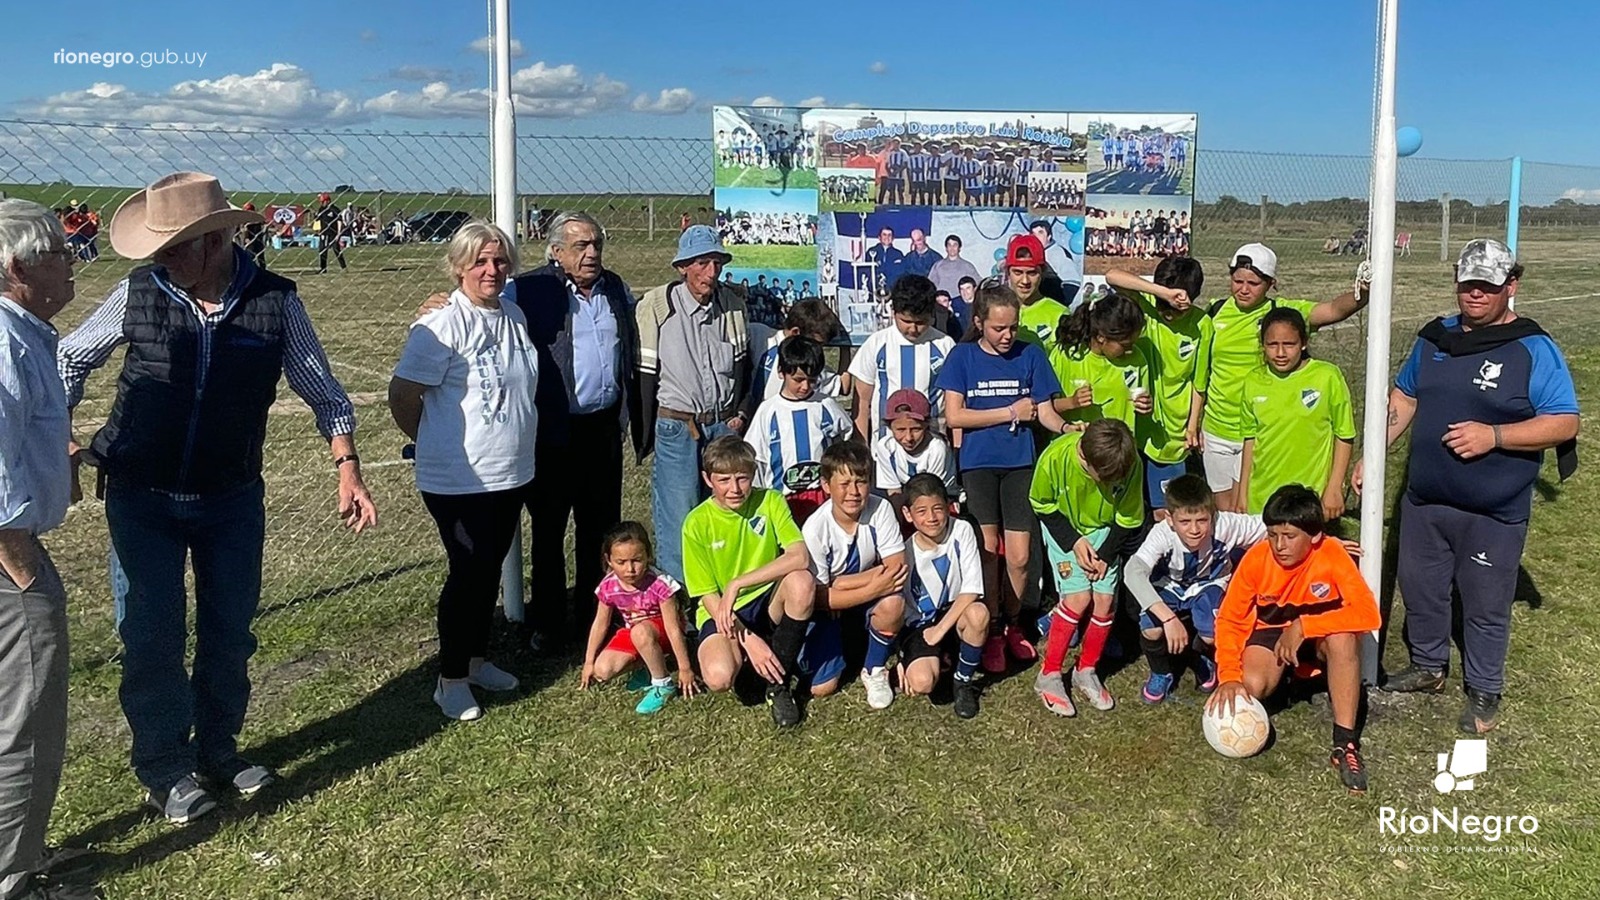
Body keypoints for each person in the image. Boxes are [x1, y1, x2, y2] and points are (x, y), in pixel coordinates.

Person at [57, 172, 378, 823]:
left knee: (229, 633)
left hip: (231, 497)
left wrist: (348, 468)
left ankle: (218, 751)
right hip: (141, 496)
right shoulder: (138, 292)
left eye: (174, 245)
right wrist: (60, 433)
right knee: (151, 633)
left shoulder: (276, 301)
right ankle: (165, 767)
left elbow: (325, 393)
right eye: (159, 246)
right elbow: (68, 360)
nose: (162, 258)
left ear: (217, 240)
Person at [1360, 239, 1579, 734]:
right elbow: (1406, 396)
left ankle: (1484, 690)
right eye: (1467, 284)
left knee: (1483, 604)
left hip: (1493, 511)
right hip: (1425, 499)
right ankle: (1429, 667)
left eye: (1487, 285)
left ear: (1511, 286)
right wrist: (1373, 454)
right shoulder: (1435, 338)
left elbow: (1564, 423)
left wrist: (1494, 436)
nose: (1475, 293)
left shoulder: (1532, 348)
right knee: (1422, 589)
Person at [389, 221, 535, 721]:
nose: (491, 270)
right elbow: (403, 395)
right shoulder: (442, 323)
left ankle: (476, 660)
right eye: (479, 262)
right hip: (458, 478)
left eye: (499, 261)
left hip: (509, 471)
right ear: (457, 267)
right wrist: (431, 441)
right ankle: (449, 679)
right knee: (468, 570)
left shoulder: (513, 314)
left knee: (488, 568)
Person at [0, 200, 91, 900]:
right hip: (10, 560)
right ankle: (14, 879)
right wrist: (24, 569)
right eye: (57, 252)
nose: (70, 261)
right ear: (16, 269)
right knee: (25, 722)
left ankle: (17, 848)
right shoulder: (5, 340)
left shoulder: (27, 334)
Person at [509, 212, 643, 650]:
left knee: (599, 530)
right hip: (553, 433)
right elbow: (482, 305)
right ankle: (546, 620)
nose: (591, 254)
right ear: (556, 251)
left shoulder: (615, 290)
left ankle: (594, 617)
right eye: (581, 246)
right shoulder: (528, 290)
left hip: (602, 430)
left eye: (597, 245)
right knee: (548, 531)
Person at [1207, 485, 1380, 794]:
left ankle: (1345, 744)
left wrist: (1303, 626)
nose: (1279, 545)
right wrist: (1229, 677)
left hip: (1317, 637)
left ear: (1314, 537)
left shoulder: (1332, 556)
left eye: (1289, 537)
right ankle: (1287, 684)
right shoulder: (1256, 560)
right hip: (1271, 633)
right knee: (1251, 684)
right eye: (1273, 535)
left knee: (1342, 639)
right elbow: (1231, 619)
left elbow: (1369, 615)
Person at [938, 284, 1072, 673]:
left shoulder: (1031, 353)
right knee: (987, 550)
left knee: (1019, 555)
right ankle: (993, 627)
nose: (1007, 335)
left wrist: (1066, 430)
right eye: (998, 328)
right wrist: (1009, 412)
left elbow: (1044, 412)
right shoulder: (962, 356)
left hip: (1020, 464)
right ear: (979, 323)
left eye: (1012, 327)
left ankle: (1015, 624)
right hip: (978, 464)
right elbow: (955, 416)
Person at [1194, 244, 1368, 511]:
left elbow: (1334, 310)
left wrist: (1363, 293)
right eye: (1237, 280)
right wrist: (1194, 422)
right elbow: (1200, 370)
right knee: (1228, 517)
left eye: (1253, 283)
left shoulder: (1284, 313)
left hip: (1260, 432)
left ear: (1270, 284)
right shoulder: (1215, 311)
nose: (1243, 288)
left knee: (1260, 511)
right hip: (1218, 430)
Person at [636, 225, 754, 585]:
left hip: (721, 423)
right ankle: (679, 595)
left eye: (717, 262)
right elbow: (642, 373)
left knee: (726, 506)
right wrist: (644, 434)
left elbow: (744, 365)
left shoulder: (732, 304)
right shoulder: (657, 305)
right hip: (677, 423)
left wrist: (740, 414)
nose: (711, 272)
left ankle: (724, 588)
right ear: (682, 267)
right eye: (702, 263)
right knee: (679, 512)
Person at [684, 436, 816, 727]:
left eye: (742, 478)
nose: (735, 489)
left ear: (753, 475)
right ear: (707, 479)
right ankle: (748, 658)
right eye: (724, 480)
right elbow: (706, 594)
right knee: (718, 678)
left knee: (802, 583)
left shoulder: (770, 500)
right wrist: (748, 638)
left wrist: (737, 583)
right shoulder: (696, 522)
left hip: (767, 600)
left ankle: (778, 686)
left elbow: (799, 557)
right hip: (723, 612)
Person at [1030, 419, 1145, 715]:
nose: (1109, 485)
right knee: (1079, 598)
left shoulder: (1130, 463)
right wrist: (1074, 542)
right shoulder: (1055, 458)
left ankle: (1087, 670)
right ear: (1084, 457)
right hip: (1066, 529)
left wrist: (1106, 553)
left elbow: (1128, 519)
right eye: (1103, 478)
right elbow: (1042, 504)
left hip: (1105, 533)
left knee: (1104, 602)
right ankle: (1050, 675)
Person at [1124, 475, 1265, 704]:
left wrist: (1321, 539)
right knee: (1152, 630)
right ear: (1170, 519)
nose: (1194, 530)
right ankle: (1161, 671)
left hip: (1209, 583)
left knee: (1212, 637)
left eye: (1202, 520)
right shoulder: (1161, 533)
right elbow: (1133, 571)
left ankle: (1198, 657)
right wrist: (1168, 619)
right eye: (1185, 522)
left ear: (1213, 515)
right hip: (1169, 585)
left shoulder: (1226, 525)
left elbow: (1272, 526)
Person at [802, 442, 907, 709]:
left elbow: (896, 568)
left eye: (860, 482)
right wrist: (873, 584)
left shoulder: (880, 508)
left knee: (894, 603)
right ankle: (848, 648)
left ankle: (874, 668)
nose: (854, 492)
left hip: (855, 597)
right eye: (844, 483)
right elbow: (821, 597)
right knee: (821, 688)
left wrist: (840, 583)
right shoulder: (816, 527)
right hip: (831, 609)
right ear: (826, 485)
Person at [1105, 259, 1210, 521]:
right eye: (1166, 305)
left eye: (1177, 307)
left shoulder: (1202, 324)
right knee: (1128, 508)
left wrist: (1192, 425)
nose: (1169, 312)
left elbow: (1199, 382)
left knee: (1166, 513)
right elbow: (1112, 276)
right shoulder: (1147, 307)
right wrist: (1162, 294)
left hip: (1171, 434)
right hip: (1132, 425)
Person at [1237, 308, 1355, 519]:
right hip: (1262, 498)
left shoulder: (1327, 377)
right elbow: (1250, 440)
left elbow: (1344, 435)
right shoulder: (1253, 381)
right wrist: (1243, 492)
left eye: (1289, 344)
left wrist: (1335, 486)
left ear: (1303, 342)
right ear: (1262, 345)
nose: (1280, 353)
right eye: (1272, 345)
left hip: (1308, 499)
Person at [578, 521, 697, 715]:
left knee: (641, 631)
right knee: (602, 671)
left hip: (661, 633)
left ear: (648, 556)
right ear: (609, 560)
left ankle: (663, 684)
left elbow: (673, 628)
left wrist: (685, 667)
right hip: (635, 633)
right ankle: (650, 667)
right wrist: (589, 661)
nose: (630, 569)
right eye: (621, 562)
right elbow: (600, 624)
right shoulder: (609, 586)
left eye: (637, 560)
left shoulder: (660, 584)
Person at [899, 473, 987, 718]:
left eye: (938, 509)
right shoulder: (904, 550)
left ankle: (963, 681)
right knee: (923, 683)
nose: (932, 518)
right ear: (908, 515)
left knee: (979, 614)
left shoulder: (962, 530)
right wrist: (900, 655)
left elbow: (971, 589)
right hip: (920, 625)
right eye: (922, 511)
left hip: (954, 615)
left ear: (948, 507)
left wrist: (940, 631)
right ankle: (935, 661)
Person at [744, 336, 854, 523]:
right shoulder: (768, 411)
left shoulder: (826, 404)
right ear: (781, 372)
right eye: (798, 379)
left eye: (812, 380)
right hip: (782, 499)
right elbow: (756, 458)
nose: (805, 386)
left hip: (822, 497)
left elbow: (846, 440)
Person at [848, 274, 954, 441]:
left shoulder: (945, 345)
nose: (913, 329)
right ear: (894, 312)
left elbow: (954, 401)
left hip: (933, 446)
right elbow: (861, 400)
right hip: (885, 448)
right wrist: (862, 447)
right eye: (906, 321)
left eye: (920, 322)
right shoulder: (877, 343)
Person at [1048, 292, 1152, 432]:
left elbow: (1141, 403)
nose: (1130, 350)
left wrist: (1145, 405)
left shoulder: (1137, 359)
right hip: (1076, 446)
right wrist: (1071, 402)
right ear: (1101, 337)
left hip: (1118, 448)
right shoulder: (1067, 356)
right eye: (1125, 345)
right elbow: (1043, 407)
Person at [871, 389, 957, 506]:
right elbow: (894, 492)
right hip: (907, 501)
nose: (908, 438)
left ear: (926, 424)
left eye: (916, 429)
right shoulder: (885, 447)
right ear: (890, 427)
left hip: (941, 499)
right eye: (900, 430)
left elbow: (930, 494)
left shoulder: (937, 448)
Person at [752, 298, 846, 401]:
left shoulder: (810, 365)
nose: (818, 349)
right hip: (747, 413)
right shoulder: (758, 335)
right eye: (816, 343)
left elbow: (844, 386)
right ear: (795, 332)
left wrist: (845, 345)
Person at [1005, 234, 1069, 348]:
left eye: (1032, 273)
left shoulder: (1059, 314)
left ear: (1042, 273)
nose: (1025, 281)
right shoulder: (996, 311)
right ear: (1008, 273)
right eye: (1018, 272)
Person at [928, 234, 980, 301]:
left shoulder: (967, 266)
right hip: (942, 302)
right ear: (946, 248)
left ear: (959, 248)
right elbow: (930, 285)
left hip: (960, 302)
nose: (952, 248)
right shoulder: (937, 265)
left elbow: (978, 283)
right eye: (949, 245)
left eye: (955, 245)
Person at [314, 192, 346, 274]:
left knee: (336, 250)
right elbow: (317, 219)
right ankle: (323, 268)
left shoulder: (334, 209)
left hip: (333, 233)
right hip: (324, 233)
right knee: (322, 250)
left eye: (323, 201)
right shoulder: (321, 209)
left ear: (327, 201)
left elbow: (339, 221)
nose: (322, 203)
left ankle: (343, 267)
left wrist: (339, 233)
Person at [864, 226, 904, 291]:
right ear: (879, 237)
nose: (887, 237)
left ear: (893, 238)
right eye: (884, 235)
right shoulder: (871, 252)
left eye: (889, 235)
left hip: (892, 291)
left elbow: (899, 273)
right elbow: (867, 271)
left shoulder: (898, 254)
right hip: (874, 290)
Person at [239, 202, 268, 269]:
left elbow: (264, 226)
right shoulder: (244, 220)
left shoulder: (257, 220)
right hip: (249, 240)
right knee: (250, 256)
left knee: (260, 257)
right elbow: (243, 230)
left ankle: (261, 270)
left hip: (257, 240)